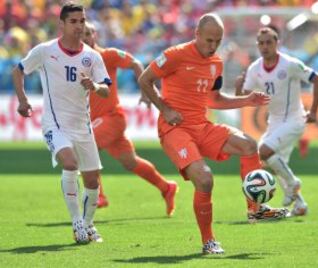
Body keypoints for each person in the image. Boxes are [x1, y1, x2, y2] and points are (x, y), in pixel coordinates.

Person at [138, 13, 288, 255]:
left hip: (202, 126)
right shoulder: (175, 55)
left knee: (249, 145)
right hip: (174, 129)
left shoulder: (216, 63)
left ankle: (255, 208)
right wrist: (165, 109)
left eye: (217, 41)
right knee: (205, 179)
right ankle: (208, 241)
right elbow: (145, 79)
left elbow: (214, 99)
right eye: (208, 40)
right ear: (196, 34)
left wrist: (246, 100)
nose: (212, 46)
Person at [12, 3, 111, 244]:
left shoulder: (92, 56)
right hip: (54, 124)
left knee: (92, 180)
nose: (79, 26)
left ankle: (88, 225)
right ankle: (76, 220)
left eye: (82, 21)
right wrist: (23, 100)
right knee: (69, 162)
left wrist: (95, 87)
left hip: (83, 126)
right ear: (62, 24)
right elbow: (19, 71)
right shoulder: (45, 51)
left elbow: (106, 90)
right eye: (74, 21)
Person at [82, 22, 178, 215]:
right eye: (80, 34)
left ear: (95, 35)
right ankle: (166, 187)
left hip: (111, 117)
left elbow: (135, 63)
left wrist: (145, 90)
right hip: (98, 121)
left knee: (85, 145)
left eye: (88, 33)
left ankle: (99, 195)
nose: (84, 37)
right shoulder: (75, 61)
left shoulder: (107, 55)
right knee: (130, 161)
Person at [235, 27, 318, 216]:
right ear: (257, 44)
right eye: (261, 43)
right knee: (274, 162)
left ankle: (293, 184)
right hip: (274, 121)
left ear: (277, 43)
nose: (265, 46)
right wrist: (237, 89)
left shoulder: (290, 64)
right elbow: (244, 97)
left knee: (264, 152)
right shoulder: (255, 68)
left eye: (269, 42)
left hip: (294, 119)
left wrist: (314, 111)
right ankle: (299, 204)